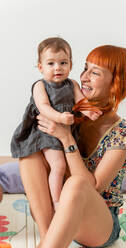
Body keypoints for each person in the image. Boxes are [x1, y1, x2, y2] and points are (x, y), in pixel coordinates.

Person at [19, 44, 126, 248]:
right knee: (30, 154)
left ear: (115, 83)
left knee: (77, 183)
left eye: (95, 72)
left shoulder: (122, 133)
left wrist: (67, 139)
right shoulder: (72, 114)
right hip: (61, 216)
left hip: (99, 224)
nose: (84, 77)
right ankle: (48, 237)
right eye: (85, 68)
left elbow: (93, 187)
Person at [10, 37, 101, 209]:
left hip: (67, 132)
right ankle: (56, 201)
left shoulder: (72, 84)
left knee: (70, 166)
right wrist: (59, 118)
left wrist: (89, 111)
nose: (57, 67)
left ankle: (66, 196)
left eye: (63, 62)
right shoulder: (40, 86)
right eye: (51, 63)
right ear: (40, 67)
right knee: (58, 165)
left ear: (71, 65)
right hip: (46, 133)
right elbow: (43, 107)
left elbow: (81, 102)